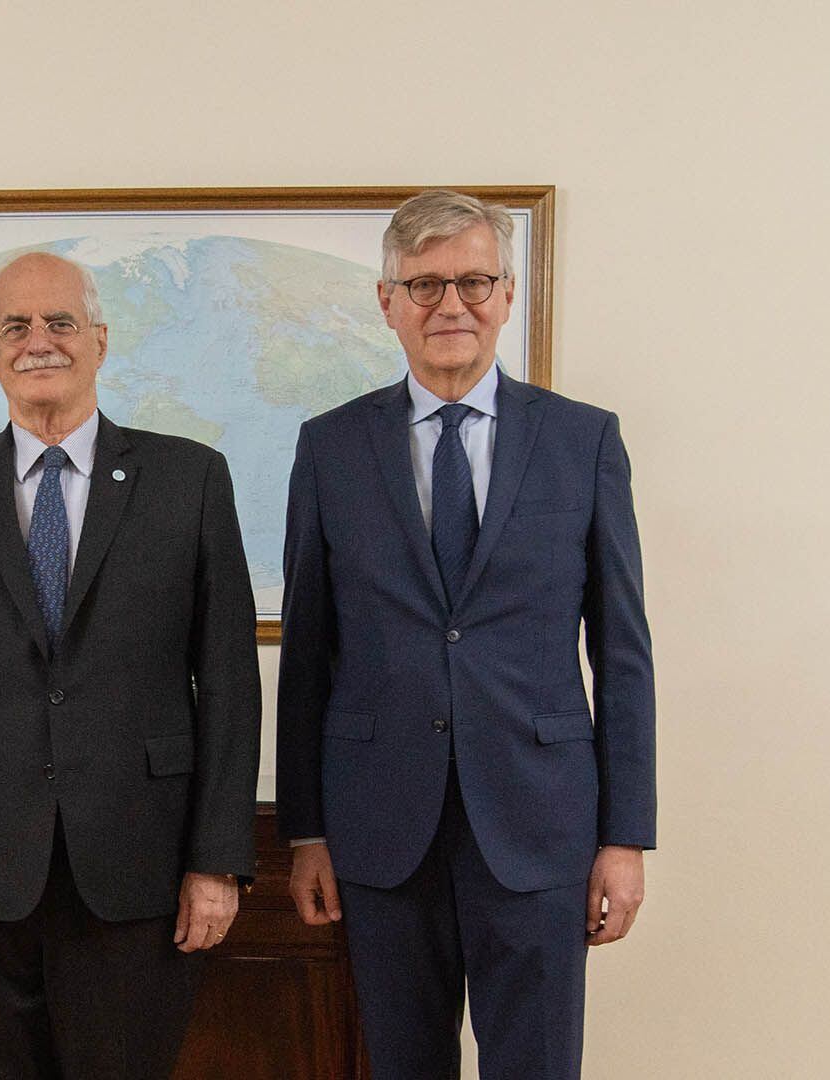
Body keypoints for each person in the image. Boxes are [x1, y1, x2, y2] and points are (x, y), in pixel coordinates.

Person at [0, 251, 262, 1079]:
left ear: (100, 341)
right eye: (17, 325)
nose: (39, 340)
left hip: (138, 869)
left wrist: (219, 860)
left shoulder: (189, 480)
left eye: (61, 322)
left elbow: (228, 684)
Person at [276, 189, 655, 1079]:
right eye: (425, 286)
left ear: (508, 293)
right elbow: (308, 656)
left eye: (474, 282)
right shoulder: (330, 447)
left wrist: (625, 836)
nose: (451, 306)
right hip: (379, 830)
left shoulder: (581, 441)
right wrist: (306, 833)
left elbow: (624, 652)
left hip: (542, 823)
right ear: (387, 302)